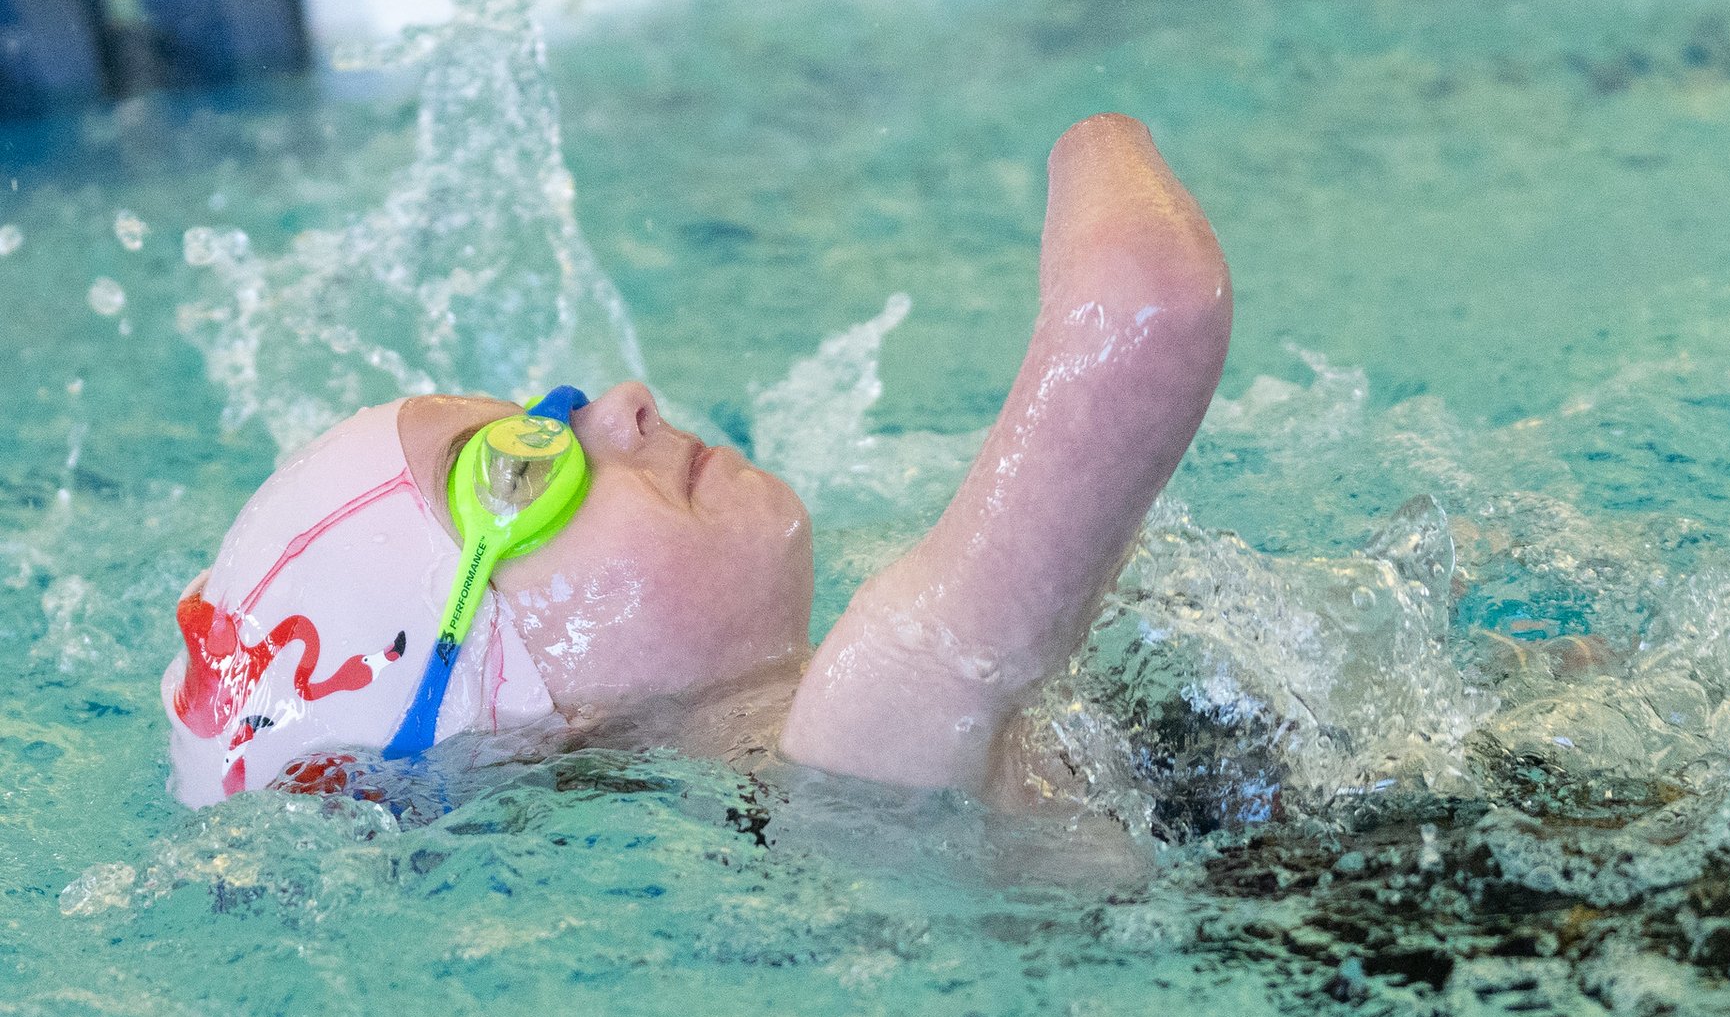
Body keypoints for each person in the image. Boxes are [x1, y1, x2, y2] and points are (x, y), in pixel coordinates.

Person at [163, 114, 1232, 809]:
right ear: (525, 709)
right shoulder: (864, 739)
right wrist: (1089, 125)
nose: (622, 405)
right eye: (522, 471)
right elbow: (1145, 308)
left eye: (550, 412)